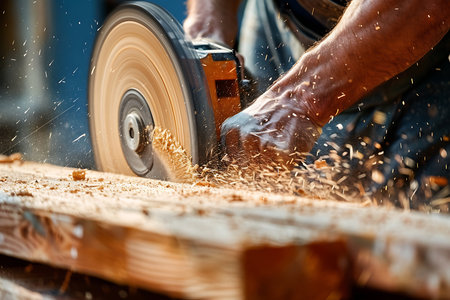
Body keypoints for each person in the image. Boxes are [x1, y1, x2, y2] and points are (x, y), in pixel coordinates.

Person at [183, 0, 450, 209]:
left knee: (400, 248)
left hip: (417, 48)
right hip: (281, 20)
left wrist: (297, 100)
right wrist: (207, 36)